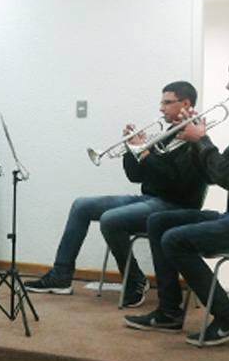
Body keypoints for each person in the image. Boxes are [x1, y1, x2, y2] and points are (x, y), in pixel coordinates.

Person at [125, 52, 229, 346]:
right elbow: (215, 175)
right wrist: (191, 140)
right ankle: (168, 311)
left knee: (175, 240)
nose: (228, 86)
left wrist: (202, 140)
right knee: (158, 221)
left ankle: (228, 317)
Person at [24, 82, 207, 305]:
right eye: (161, 102)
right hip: (150, 199)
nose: (161, 108)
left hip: (175, 205)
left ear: (186, 104)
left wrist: (145, 152)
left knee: (111, 220)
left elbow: (174, 180)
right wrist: (131, 151)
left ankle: (134, 281)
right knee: (81, 205)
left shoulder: (194, 138)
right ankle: (60, 276)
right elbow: (136, 176)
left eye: (167, 102)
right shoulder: (168, 134)